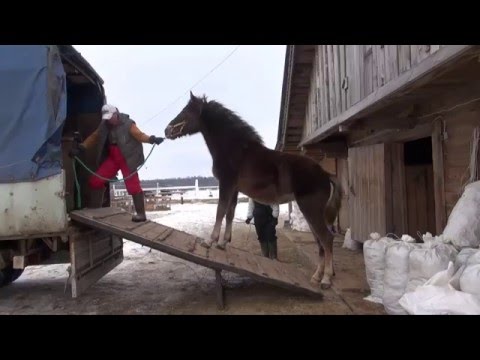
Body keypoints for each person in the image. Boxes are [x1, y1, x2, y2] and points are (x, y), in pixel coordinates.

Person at [70, 104, 164, 222]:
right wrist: (81, 147)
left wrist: (152, 139)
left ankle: (141, 214)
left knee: (133, 185)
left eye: (110, 117)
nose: (109, 120)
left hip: (127, 158)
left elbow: (139, 135)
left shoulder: (128, 124)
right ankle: (95, 210)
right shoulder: (104, 126)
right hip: (113, 158)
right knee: (95, 181)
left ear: (116, 114)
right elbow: (94, 137)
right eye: (107, 118)